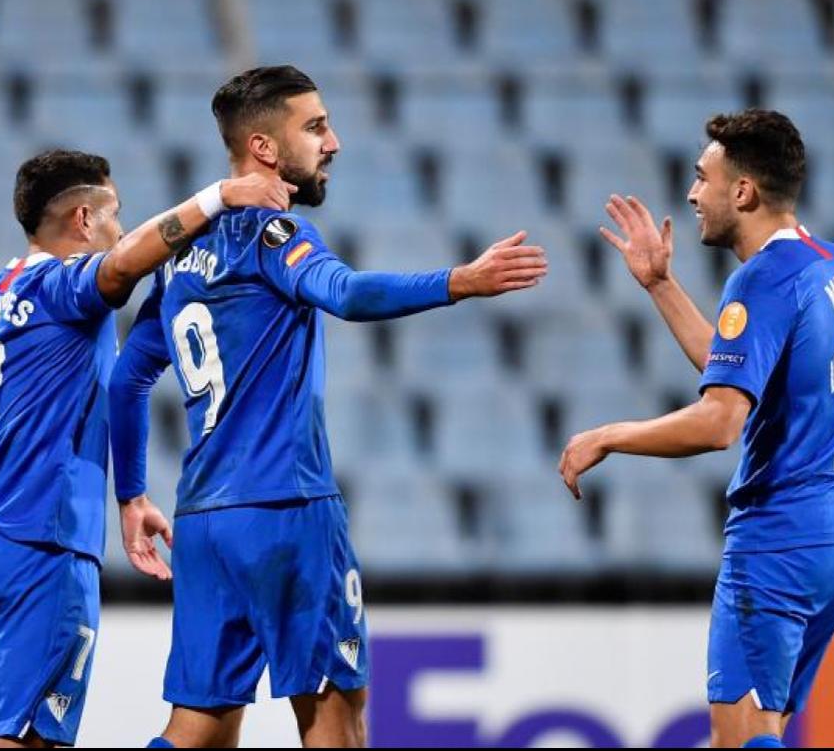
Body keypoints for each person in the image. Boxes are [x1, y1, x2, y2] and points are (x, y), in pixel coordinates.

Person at [109, 65, 548, 748]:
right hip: (286, 510)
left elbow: (126, 381)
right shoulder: (273, 236)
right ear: (262, 148)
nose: (333, 142)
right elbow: (344, 293)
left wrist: (132, 495)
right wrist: (460, 280)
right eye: (314, 128)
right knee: (336, 721)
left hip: (203, 520)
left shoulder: (179, 256)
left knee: (199, 726)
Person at [0, 148, 294, 748]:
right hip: (42, 550)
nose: (120, 229)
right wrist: (219, 198)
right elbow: (125, 265)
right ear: (82, 220)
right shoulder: (62, 286)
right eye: (114, 214)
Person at [559, 109, 834, 748]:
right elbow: (734, 365)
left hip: (778, 540)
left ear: (743, 192)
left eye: (702, 177)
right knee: (771, 728)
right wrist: (660, 283)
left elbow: (720, 422)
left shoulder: (760, 278)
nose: (691, 193)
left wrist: (608, 435)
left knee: (742, 738)